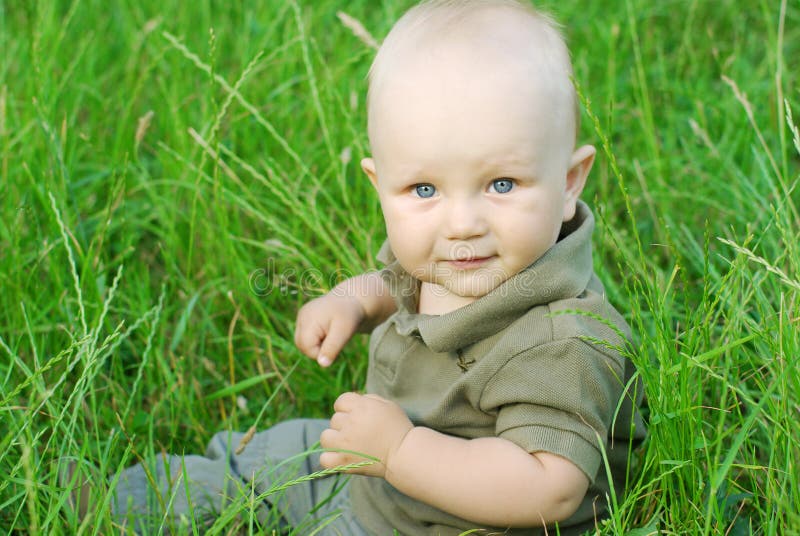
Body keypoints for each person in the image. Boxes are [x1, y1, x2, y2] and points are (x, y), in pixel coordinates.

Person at [69, 1, 645, 533]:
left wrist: (401, 453)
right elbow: (398, 285)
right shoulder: (458, 258)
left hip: (434, 525)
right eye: (424, 188)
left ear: (568, 183)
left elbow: (548, 487)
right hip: (372, 474)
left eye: (501, 183)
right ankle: (118, 504)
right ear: (380, 184)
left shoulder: (561, 341)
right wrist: (350, 299)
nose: (462, 222)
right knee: (263, 460)